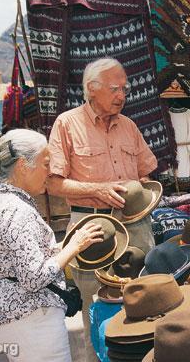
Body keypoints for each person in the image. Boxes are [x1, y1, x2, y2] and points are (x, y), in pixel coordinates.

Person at [46, 57, 158, 362]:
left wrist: (143, 194)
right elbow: (54, 184)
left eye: (125, 88)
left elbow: (146, 171)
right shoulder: (67, 124)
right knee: (94, 306)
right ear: (91, 89)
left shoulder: (129, 126)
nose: (122, 95)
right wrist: (99, 190)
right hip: (92, 227)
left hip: (135, 224)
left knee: (144, 298)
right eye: (115, 88)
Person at [0, 129, 104, 362]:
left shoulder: (0, 202)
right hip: (31, 321)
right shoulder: (15, 211)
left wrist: (63, 245)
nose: (49, 173)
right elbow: (34, 277)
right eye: (45, 164)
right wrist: (73, 247)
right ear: (22, 166)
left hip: (17, 319)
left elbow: (20, 258)